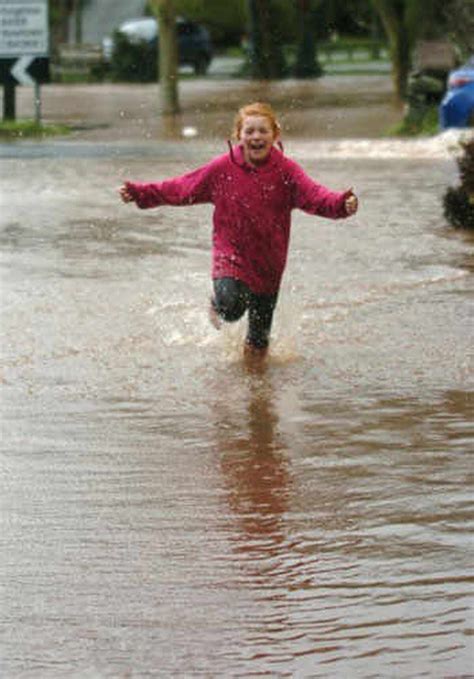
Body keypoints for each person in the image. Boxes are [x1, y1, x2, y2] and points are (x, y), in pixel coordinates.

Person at [120, 102, 358, 357]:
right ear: (238, 136)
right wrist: (140, 193)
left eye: (262, 131)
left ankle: (256, 392)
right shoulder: (222, 169)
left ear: (275, 135)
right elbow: (182, 187)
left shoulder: (287, 172)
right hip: (230, 254)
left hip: (270, 262)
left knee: (258, 343)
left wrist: (341, 204)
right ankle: (217, 303)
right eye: (250, 131)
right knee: (232, 307)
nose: (256, 137)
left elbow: (315, 195)